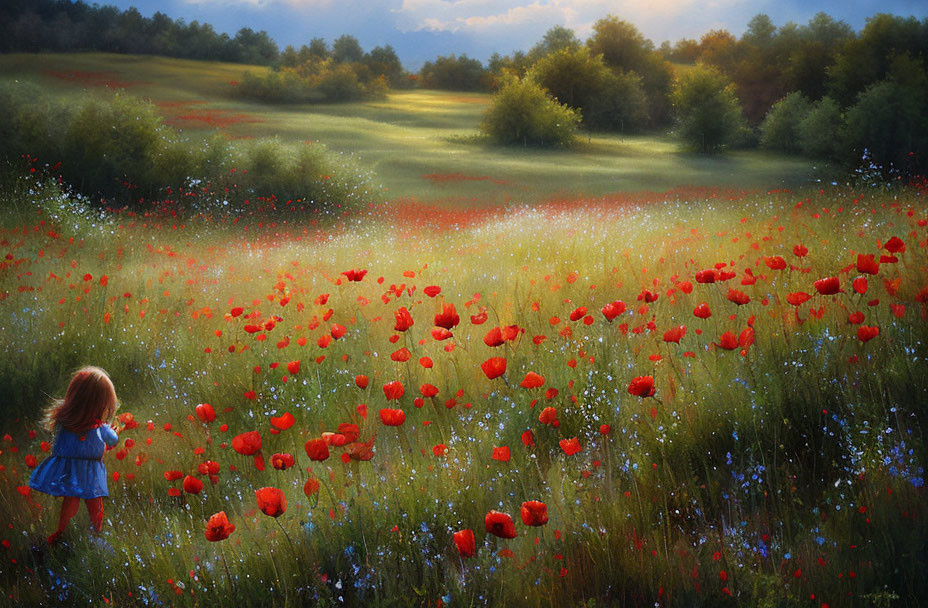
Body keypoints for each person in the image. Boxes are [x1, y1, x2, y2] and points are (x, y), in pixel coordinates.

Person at [28, 367, 121, 544]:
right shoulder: (100, 428)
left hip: (69, 470)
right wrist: (113, 433)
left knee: (71, 500)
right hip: (91, 471)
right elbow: (113, 440)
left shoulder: (65, 422)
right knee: (94, 502)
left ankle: (62, 531)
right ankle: (96, 534)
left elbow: (65, 447)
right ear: (99, 404)